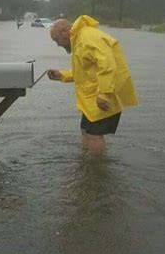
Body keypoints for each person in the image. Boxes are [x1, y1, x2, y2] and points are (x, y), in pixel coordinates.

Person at [48, 15, 138, 153]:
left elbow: (108, 66)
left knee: (94, 135)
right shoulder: (79, 40)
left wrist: (104, 94)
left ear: (64, 32)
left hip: (103, 96)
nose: (58, 44)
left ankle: (97, 169)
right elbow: (85, 71)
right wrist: (62, 75)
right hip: (93, 99)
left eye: (57, 40)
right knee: (85, 131)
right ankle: (86, 163)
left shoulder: (88, 38)